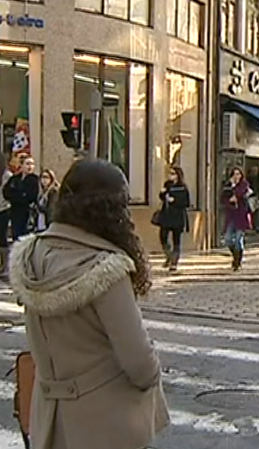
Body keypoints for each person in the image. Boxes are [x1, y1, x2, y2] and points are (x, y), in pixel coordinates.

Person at [8, 158, 168, 449]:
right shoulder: (106, 269)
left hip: (50, 422)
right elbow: (140, 365)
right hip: (105, 426)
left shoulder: (31, 256)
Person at [157, 167, 191, 271]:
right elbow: (163, 197)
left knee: (176, 239)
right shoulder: (167, 185)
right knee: (163, 236)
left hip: (177, 216)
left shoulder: (182, 188)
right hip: (167, 215)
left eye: (173, 173)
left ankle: (174, 262)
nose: (170, 175)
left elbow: (186, 203)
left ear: (178, 175)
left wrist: (174, 201)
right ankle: (169, 255)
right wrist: (162, 194)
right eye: (169, 173)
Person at [221, 167, 251, 271]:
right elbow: (222, 198)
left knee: (238, 239)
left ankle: (237, 262)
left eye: (238, 174)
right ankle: (235, 256)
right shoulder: (227, 186)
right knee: (228, 238)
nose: (236, 176)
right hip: (231, 216)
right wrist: (229, 201)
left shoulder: (244, 185)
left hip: (241, 216)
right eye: (234, 174)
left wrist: (234, 189)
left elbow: (241, 193)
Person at [4, 154, 39, 240]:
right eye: (27, 164)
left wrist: (20, 196)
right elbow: (6, 192)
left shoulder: (35, 180)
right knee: (16, 235)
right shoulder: (15, 179)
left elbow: (31, 196)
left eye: (32, 164)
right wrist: (19, 195)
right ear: (22, 165)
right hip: (15, 211)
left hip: (28, 212)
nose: (30, 166)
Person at [0, 153, 11, 278]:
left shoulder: (7, 176)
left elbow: (7, 193)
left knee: (2, 237)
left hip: (3, 209)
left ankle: (5, 265)